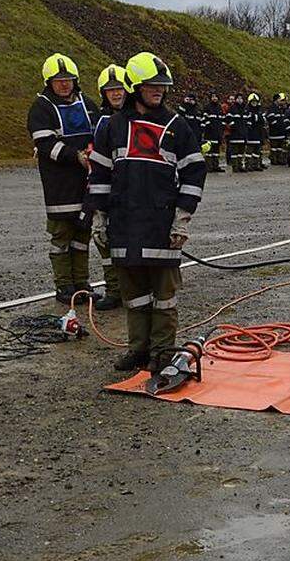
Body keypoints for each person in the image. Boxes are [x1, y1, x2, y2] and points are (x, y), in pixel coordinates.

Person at [84, 52, 206, 372]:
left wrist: (182, 219)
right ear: (136, 87)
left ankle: (163, 353)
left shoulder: (176, 126)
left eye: (163, 86)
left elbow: (194, 173)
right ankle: (138, 349)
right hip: (124, 223)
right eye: (152, 85)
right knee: (133, 294)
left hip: (161, 223)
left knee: (164, 296)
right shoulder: (112, 126)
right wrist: (100, 216)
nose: (159, 91)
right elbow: (99, 174)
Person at [28, 53, 100, 305]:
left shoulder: (87, 103)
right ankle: (64, 287)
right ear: (49, 82)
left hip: (86, 183)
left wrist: (94, 153)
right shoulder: (41, 107)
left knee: (82, 235)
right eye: (58, 80)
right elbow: (46, 144)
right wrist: (76, 156)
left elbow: (100, 132)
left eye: (68, 79)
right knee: (61, 237)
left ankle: (82, 284)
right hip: (59, 184)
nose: (64, 84)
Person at [85, 64, 128, 311]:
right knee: (104, 240)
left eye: (119, 88)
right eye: (111, 90)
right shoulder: (101, 122)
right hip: (107, 190)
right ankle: (114, 290)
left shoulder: (135, 117)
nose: (116, 93)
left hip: (131, 191)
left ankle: (135, 290)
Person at [202, 93, 226, 173]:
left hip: (218, 132)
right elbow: (204, 119)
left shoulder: (219, 108)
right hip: (210, 132)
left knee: (216, 151)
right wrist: (209, 127)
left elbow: (222, 119)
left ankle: (216, 165)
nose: (215, 98)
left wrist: (222, 128)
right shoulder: (207, 107)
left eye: (216, 96)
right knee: (209, 151)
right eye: (213, 97)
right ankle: (208, 166)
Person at [226, 93, 249, 173]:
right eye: (238, 98)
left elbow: (247, 121)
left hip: (243, 134)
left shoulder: (245, 109)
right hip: (235, 134)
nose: (240, 100)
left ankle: (240, 165)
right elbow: (228, 119)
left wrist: (246, 129)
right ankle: (235, 166)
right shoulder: (232, 108)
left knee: (241, 152)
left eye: (241, 98)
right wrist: (234, 127)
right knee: (234, 152)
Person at [246, 93, 268, 171]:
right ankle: (248, 165)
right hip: (251, 134)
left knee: (257, 151)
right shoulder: (247, 111)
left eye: (255, 102)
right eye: (253, 102)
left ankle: (256, 164)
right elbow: (248, 122)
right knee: (249, 151)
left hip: (259, 133)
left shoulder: (259, 111)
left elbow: (263, 121)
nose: (254, 103)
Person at [267, 93, 289, 165]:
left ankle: (279, 159)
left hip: (280, 132)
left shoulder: (280, 108)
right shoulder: (272, 108)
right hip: (274, 132)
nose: (281, 101)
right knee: (274, 147)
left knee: (279, 147)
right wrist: (277, 125)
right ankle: (274, 159)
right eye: (280, 99)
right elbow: (271, 119)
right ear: (276, 100)